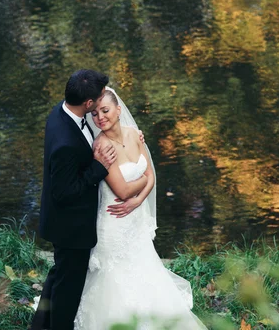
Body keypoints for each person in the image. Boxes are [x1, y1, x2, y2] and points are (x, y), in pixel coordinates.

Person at [74, 87, 206, 330]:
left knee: (144, 269)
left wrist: (137, 200)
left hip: (134, 219)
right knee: (115, 280)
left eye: (105, 110)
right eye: (94, 114)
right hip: (114, 224)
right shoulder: (102, 147)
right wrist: (138, 190)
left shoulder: (135, 134)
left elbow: (150, 176)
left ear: (118, 109)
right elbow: (122, 191)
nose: (100, 117)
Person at [31, 70, 148, 330]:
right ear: (88, 104)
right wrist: (98, 167)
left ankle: (40, 325)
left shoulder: (61, 112)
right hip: (70, 227)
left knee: (59, 275)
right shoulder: (64, 142)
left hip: (65, 222)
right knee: (68, 289)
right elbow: (63, 193)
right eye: (97, 101)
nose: (100, 106)